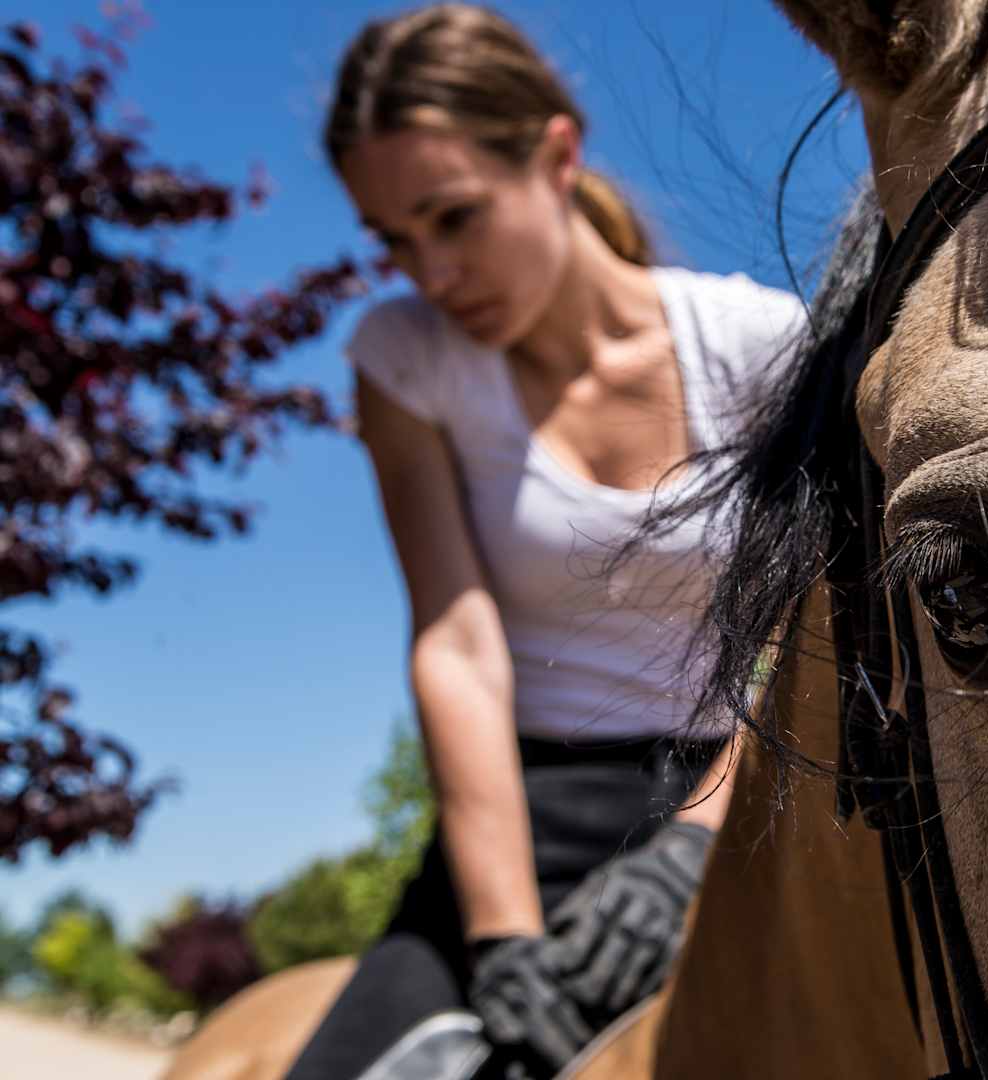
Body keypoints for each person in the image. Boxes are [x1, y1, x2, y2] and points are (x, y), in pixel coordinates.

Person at [284, 5, 804, 1078]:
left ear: (558, 155)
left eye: (455, 218)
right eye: (394, 242)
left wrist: (690, 851)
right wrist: (505, 942)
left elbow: (817, 633)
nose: (431, 275)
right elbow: (457, 643)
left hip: (745, 804)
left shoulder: (762, 348)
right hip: (522, 820)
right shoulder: (405, 361)